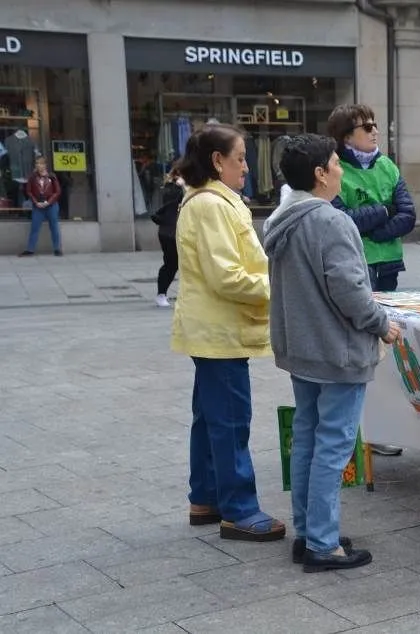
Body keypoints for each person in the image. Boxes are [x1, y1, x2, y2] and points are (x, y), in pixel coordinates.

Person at [263, 133, 400, 572]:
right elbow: (350, 290)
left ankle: (309, 532)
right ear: (320, 174)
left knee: (307, 439)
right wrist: (382, 324)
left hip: (302, 348)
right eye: (337, 163)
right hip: (335, 351)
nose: (342, 169)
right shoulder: (330, 221)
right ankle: (322, 542)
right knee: (332, 446)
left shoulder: (283, 218)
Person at [171, 123, 285, 542]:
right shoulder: (211, 205)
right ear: (217, 161)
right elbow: (228, 277)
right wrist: (279, 289)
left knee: (210, 417)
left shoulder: (212, 201)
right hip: (220, 330)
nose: (246, 166)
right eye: (240, 158)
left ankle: (205, 496)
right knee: (230, 420)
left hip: (214, 328)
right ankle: (238, 509)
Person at [326, 103, 415, 458]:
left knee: (382, 353)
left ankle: (378, 428)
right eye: (366, 127)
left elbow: (408, 215)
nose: (375, 131)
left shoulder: (388, 166)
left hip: (388, 266)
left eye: (375, 125)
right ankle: (352, 430)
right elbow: (342, 218)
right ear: (346, 137)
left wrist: (374, 231)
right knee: (355, 351)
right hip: (356, 270)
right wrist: (381, 212)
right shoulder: (335, 171)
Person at [152, 168, 185, 307]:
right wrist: (182, 186)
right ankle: (161, 294)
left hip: (175, 231)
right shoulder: (173, 188)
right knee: (171, 264)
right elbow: (170, 204)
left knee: (179, 264)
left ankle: (167, 294)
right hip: (170, 232)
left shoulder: (180, 187)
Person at [20, 156, 63, 257]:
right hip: (38, 205)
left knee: (54, 227)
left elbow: (57, 191)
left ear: (45, 165)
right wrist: (36, 202)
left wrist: (49, 202)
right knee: (34, 227)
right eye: (37, 163)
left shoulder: (52, 176)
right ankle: (30, 249)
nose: (38, 165)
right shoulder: (32, 177)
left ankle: (57, 248)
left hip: (51, 205)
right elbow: (29, 191)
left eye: (40, 163)